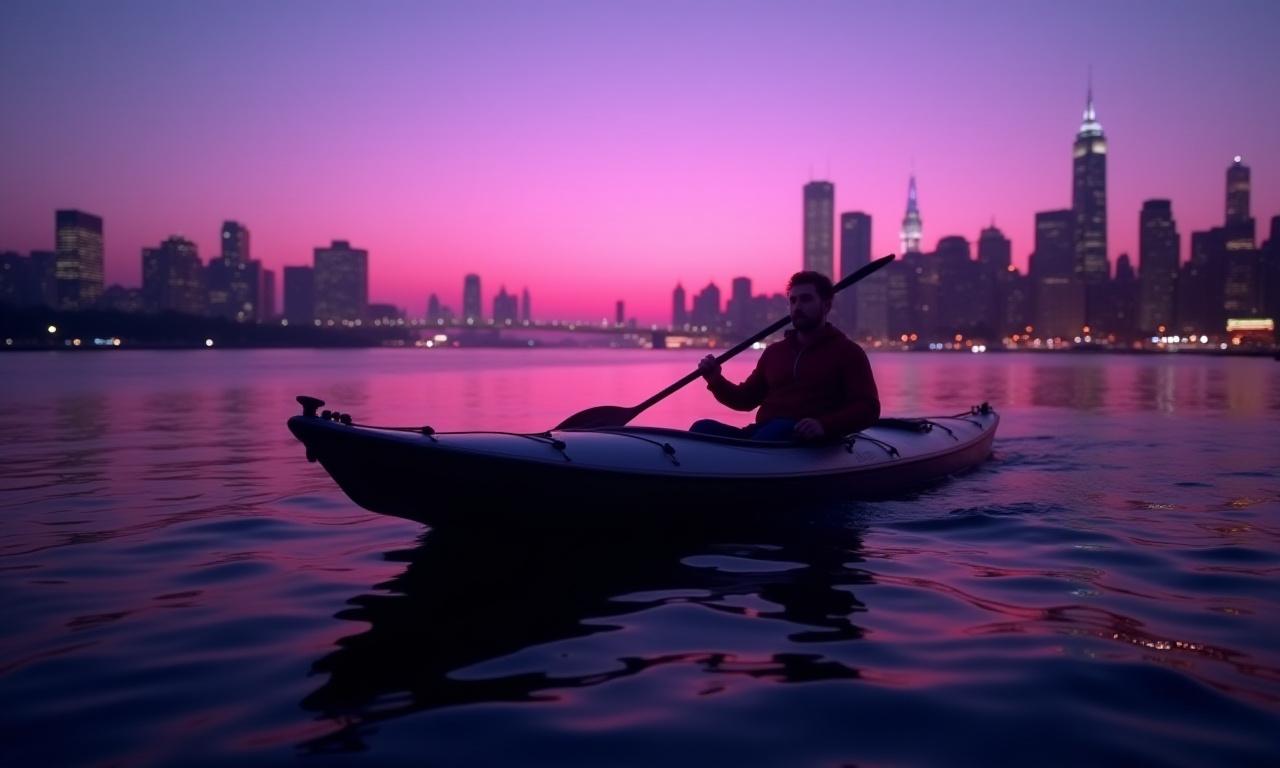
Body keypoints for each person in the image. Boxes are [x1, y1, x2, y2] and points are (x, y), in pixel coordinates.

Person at [691, 270, 880, 441]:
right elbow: (746, 400)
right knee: (701, 428)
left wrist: (824, 425)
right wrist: (716, 380)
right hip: (762, 434)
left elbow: (868, 408)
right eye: (793, 300)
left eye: (806, 299)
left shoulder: (847, 352)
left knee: (778, 429)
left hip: (807, 441)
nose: (797, 307)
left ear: (826, 306)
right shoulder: (775, 352)